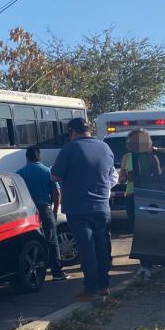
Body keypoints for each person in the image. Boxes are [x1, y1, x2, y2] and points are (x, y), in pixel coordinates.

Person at [51, 117, 116, 301]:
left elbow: (55, 176)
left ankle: (90, 290)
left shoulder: (70, 148)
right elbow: (110, 174)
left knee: (87, 248)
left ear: (72, 132)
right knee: (102, 246)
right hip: (102, 206)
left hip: (79, 208)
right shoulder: (105, 148)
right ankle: (104, 286)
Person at [16, 147, 67, 281]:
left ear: (27, 158)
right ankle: (56, 272)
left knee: (31, 240)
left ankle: (36, 271)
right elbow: (56, 194)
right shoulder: (47, 172)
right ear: (39, 157)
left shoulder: (19, 174)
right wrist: (55, 211)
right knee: (51, 239)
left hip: (27, 211)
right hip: (45, 209)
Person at [118, 129, 161, 278]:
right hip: (132, 196)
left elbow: (159, 177)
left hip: (149, 198)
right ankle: (144, 264)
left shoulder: (153, 157)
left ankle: (151, 262)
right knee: (137, 231)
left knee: (149, 231)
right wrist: (128, 177)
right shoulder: (127, 157)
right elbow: (120, 179)